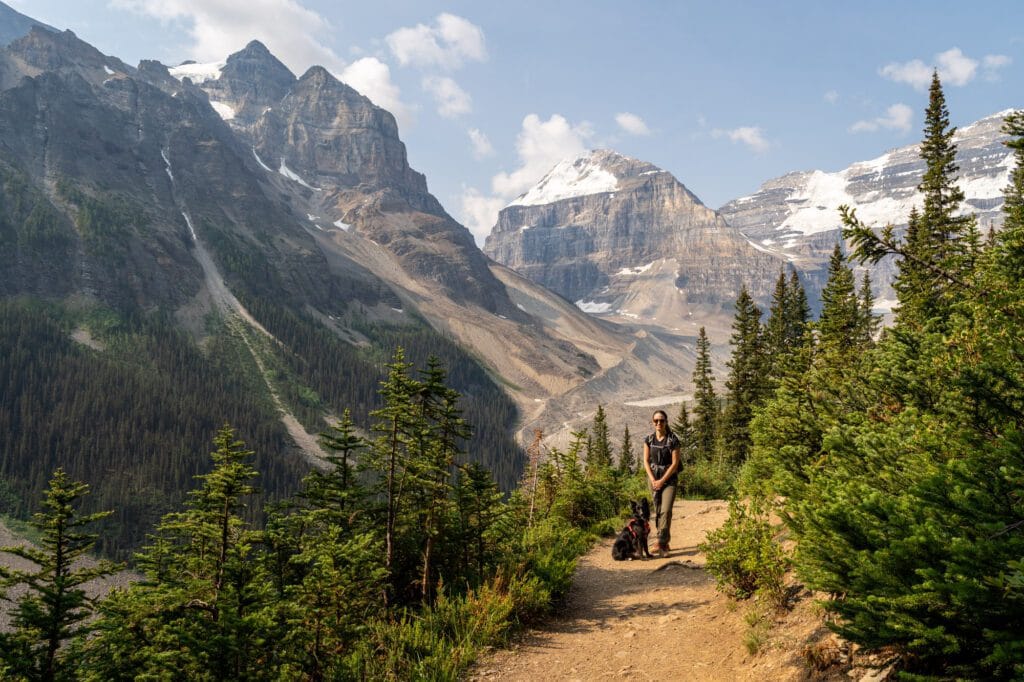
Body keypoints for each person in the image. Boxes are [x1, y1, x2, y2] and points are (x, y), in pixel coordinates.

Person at [643, 409, 680, 558]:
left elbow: (675, 463)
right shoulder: (649, 439)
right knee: (658, 510)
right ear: (653, 423)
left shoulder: (673, 440)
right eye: (656, 421)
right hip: (653, 478)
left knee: (666, 510)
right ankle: (663, 541)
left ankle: (662, 542)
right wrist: (653, 480)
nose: (659, 423)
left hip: (669, 480)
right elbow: (646, 461)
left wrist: (662, 481)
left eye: (661, 420)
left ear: (666, 422)